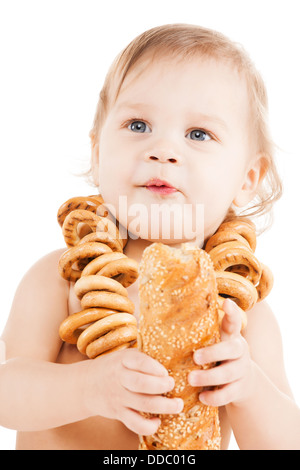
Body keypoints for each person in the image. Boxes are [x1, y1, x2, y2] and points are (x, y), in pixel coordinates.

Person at [0, 23, 299, 450]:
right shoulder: (62, 280)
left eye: (198, 134)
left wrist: (248, 387)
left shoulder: (241, 312)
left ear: (248, 178)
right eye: (138, 125)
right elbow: (5, 394)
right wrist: (87, 388)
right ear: (99, 153)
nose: (162, 149)